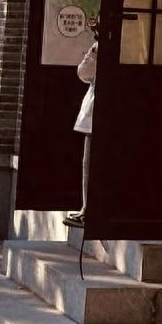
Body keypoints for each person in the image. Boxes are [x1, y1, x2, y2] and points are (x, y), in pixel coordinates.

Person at [66, 40, 96, 226]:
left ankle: (91, 210)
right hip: (94, 116)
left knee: (92, 163)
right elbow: (84, 73)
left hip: (106, 112)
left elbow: (84, 73)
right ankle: (87, 208)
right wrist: (93, 53)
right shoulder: (98, 46)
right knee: (88, 163)